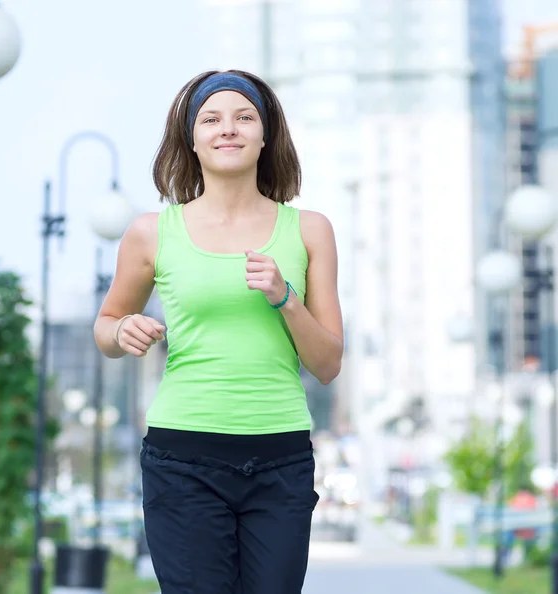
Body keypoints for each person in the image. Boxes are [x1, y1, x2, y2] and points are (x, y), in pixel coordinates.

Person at [94, 69, 344, 594]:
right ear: (192, 138)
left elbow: (327, 364)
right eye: (211, 118)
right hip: (183, 456)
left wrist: (285, 299)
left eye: (243, 117)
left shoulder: (309, 230)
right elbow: (106, 325)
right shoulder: (150, 232)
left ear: (265, 135)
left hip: (280, 456)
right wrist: (123, 332)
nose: (227, 129)